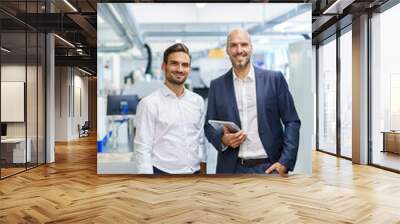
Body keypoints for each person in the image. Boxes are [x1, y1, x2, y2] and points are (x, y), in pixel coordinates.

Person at [204, 29, 301, 176]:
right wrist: (223, 140)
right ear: (227, 50)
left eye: (244, 44)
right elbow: (209, 126)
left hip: (269, 167)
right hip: (231, 169)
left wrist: (285, 162)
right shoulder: (217, 85)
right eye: (234, 45)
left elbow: (292, 121)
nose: (239, 50)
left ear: (251, 48)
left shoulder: (274, 80)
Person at [134, 43, 206, 174]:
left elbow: (200, 139)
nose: (180, 69)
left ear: (189, 69)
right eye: (174, 63)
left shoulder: (197, 101)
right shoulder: (149, 104)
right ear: (164, 66)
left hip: (194, 173)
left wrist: (203, 169)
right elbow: (142, 148)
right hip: (163, 174)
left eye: (185, 65)